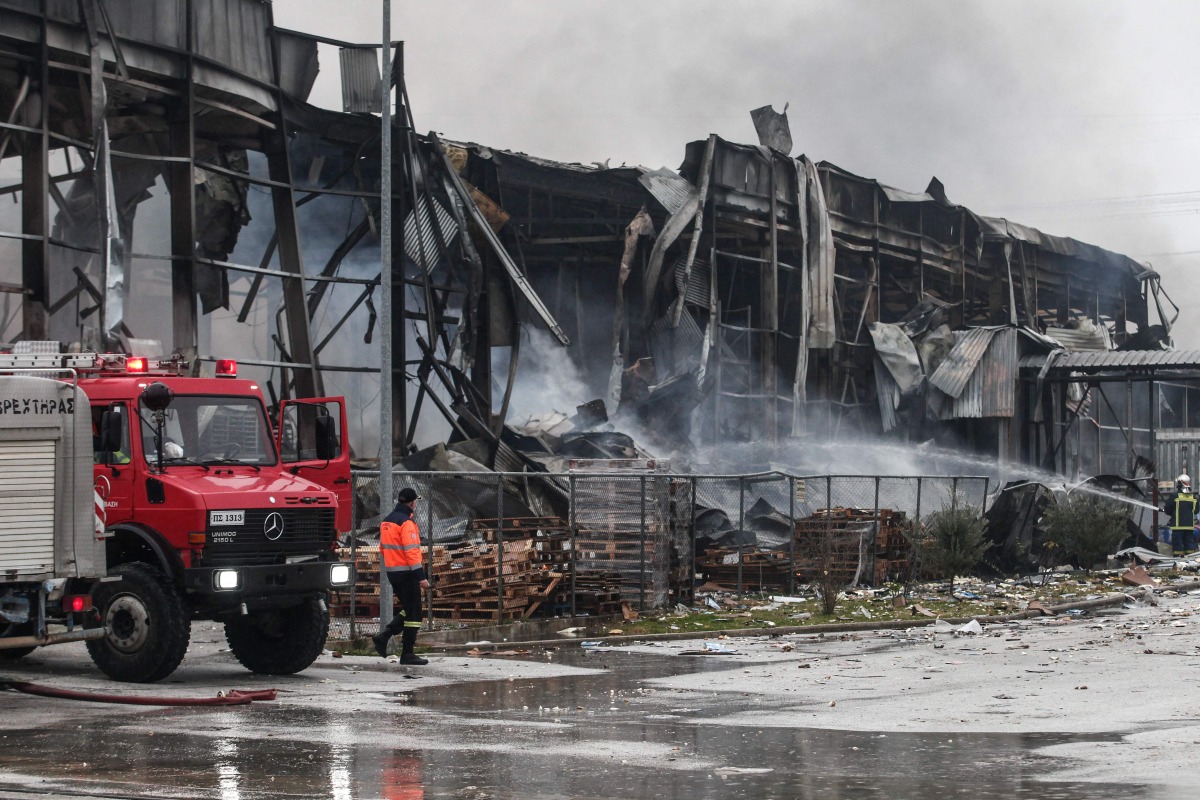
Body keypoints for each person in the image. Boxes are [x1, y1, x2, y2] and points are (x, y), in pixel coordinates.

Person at [373, 487, 430, 665]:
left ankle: (385, 636)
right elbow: (412, 552)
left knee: (409, 608)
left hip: (393, 573)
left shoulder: (387, 522)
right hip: (407, 573)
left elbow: (382, 548)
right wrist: (421, 577)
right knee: (414, 613)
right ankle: (407, 652)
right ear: (413, 503)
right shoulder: (407, 523)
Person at [1168, 474, 1197, 553]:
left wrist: (1173, 514)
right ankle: (1189, 562)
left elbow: (1167, 509)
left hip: (1178, 527)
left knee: (1178, 547)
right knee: (1189, 546)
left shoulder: (1174, 496)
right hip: (1189, 526)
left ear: (1179, 483)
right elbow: (1196, 510)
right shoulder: (1193, 497)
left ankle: (1179, 561)